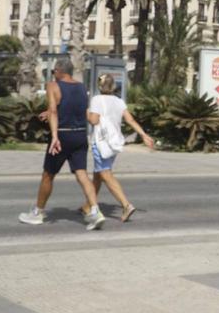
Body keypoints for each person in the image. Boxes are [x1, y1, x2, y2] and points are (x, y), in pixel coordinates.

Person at [18, 59, 106, 231]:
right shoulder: (81, 87)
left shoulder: (53, 86)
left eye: (53, 72)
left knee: (48, 175)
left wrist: (55, 136)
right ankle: (95, 211)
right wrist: (51, 113)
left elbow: (53, 110)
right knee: (81, 173)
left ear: (59, 71)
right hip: (80, 135)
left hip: (63, 135)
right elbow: (74, 108)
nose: (53, 75)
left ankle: (38, 212)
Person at [84, 73, 155, 222]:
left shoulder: (96, 100)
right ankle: (89, 205)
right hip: (114, 143)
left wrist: (86, 112)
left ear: (99, 86)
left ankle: (126, 205)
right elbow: (130, 119)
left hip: (101, 142)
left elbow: (94, 121)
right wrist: (143, 135)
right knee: (98, 174)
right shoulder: (119, 101)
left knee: (105, 173)